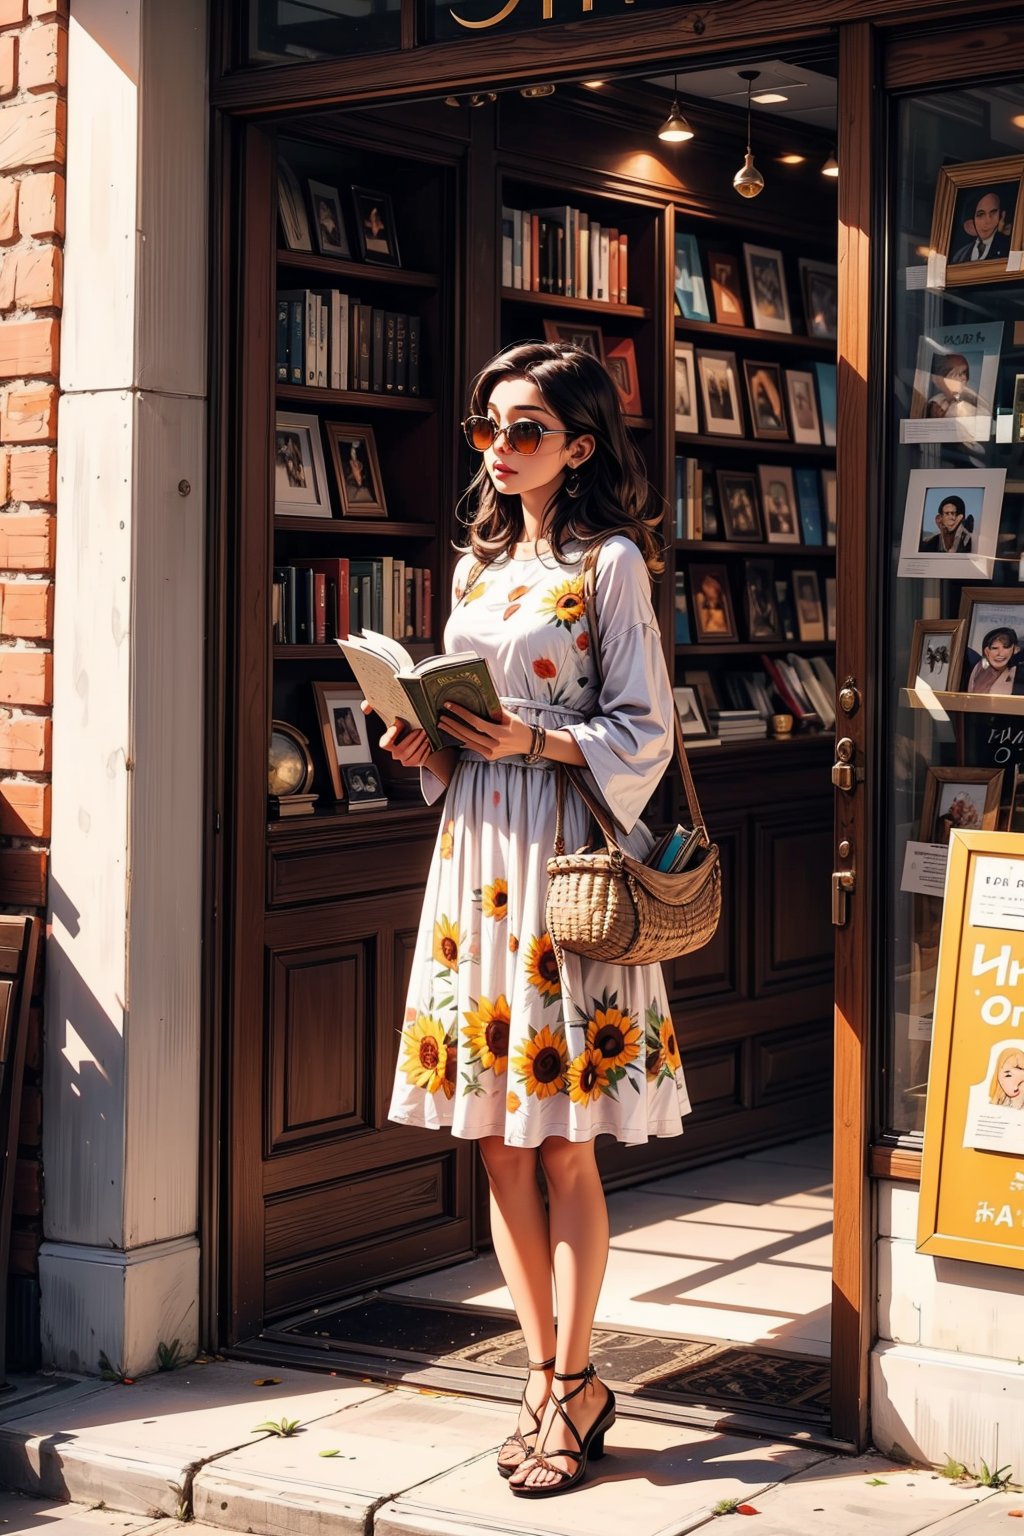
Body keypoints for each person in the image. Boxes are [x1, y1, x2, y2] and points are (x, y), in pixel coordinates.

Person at [366, 341, 690, 1498]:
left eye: (525, 431)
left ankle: (574, 1381)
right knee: (497, 1146)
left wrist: (537, 740)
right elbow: (459, 725)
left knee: (562, 1143)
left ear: (583, 446)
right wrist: (424, 740)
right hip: (476, 850)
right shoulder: (473, 568)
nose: (498, 450)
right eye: (486, 429)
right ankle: (541, 1374)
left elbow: (645, 730)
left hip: (561, 855)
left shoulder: (610, 564)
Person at [951, 188, 1012, 263]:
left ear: (1002, 215)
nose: (988, 220)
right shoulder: (960, 255)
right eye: (981, 214)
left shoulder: (1010, 247)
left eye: (993, 212)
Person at [924, 353, 982, 421]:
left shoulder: (970, 407)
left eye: (965, 373)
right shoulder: (936, 402)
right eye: (956, 374)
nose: (964, 378)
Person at [966, 627, 1021, 696]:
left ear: (1015, 649)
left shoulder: (1019, 675)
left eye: (1006, 647)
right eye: (994, 648)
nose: (1000, 653)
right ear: (986, 651)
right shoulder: (977, 668)